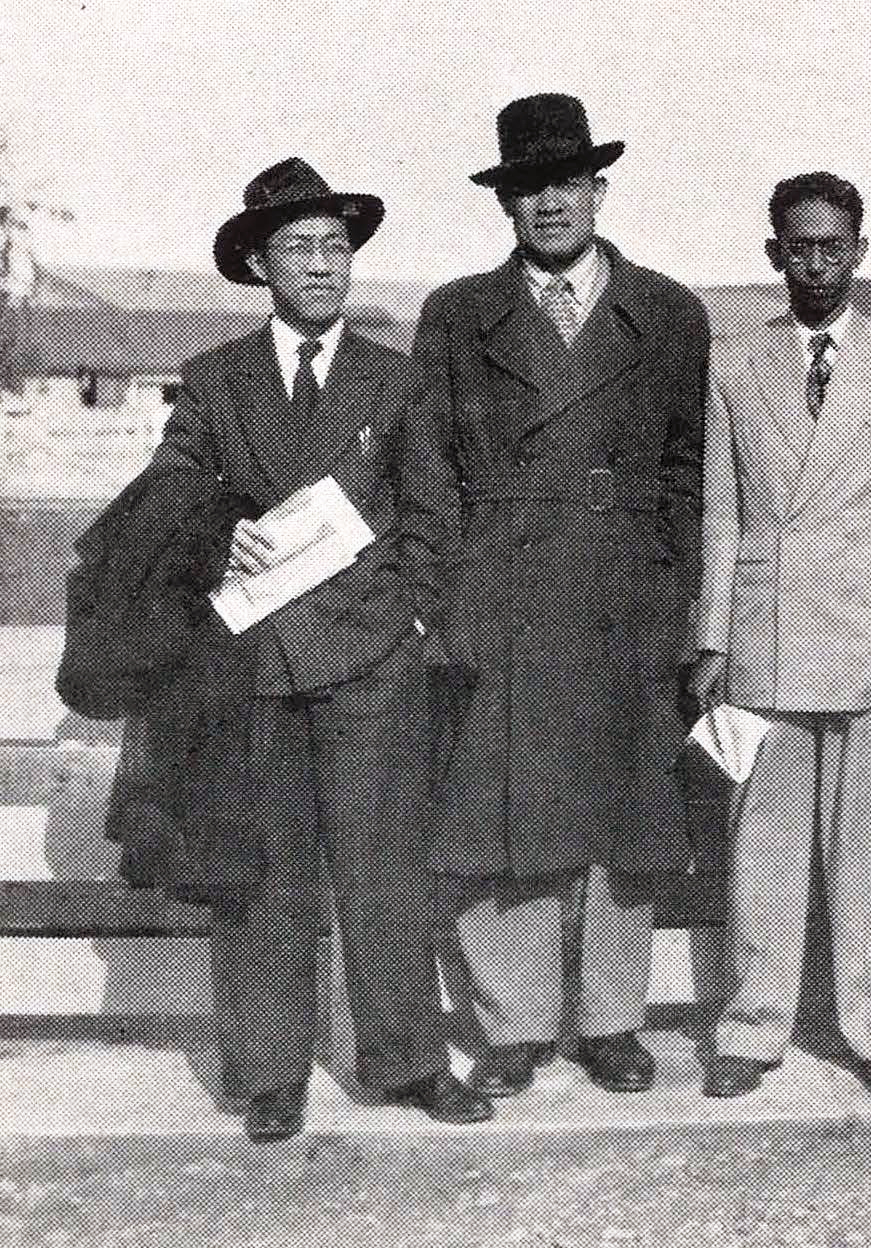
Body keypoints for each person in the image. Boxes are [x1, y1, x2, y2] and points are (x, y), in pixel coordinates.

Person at [149, 157, 492, 1141]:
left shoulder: (396, 379)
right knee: (263, 876)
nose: (321, 265)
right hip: (255, 665)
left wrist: (411, 621)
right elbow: (170, 494)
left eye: (336, 245)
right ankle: (269, 1075)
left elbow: (435, 516)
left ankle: (409, 1061)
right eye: (299, 247)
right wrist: (220, 529)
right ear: (259, 265)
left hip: (370, 662)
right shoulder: (214, 381)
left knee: (384, 870)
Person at [409, 94, 709, 1098]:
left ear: (598, 190)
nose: (549, 204)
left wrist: (680, 604)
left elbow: (688, 473)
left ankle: (612, 1020)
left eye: (566, 183)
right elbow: (430, 470)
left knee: (625, 808)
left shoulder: (669, 312)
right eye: (528, 187)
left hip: (628, 587)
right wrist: (445, 603)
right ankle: (512, 1024)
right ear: (506, 204)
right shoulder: (457, 314)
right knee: (505, 809)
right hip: (501, 586)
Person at [686, 172, 871, 1098]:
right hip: (768, 631)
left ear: (859, 253)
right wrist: (712, 637)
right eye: (800, 246)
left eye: (834, 246)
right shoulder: (730, 362)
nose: (817, 263)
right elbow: (721, 514)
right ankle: (752, 1027)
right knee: (764, 843)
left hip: (870, 628)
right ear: (774, 254)